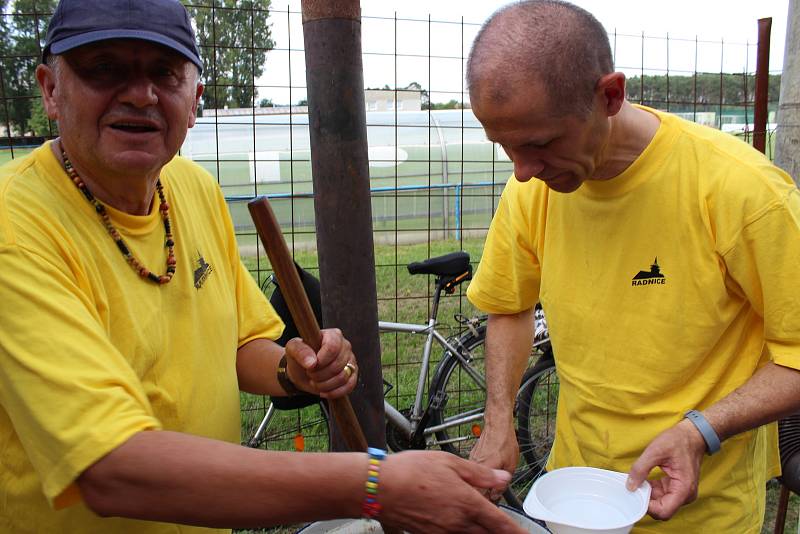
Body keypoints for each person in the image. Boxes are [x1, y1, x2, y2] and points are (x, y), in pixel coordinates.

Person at [0, 1, 529, 533]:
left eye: (164, 71)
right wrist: (375, 485)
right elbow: (108, 468)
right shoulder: (16, 229)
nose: (141, 94)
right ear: (50, 89)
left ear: (195, 100)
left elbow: (240, 342)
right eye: (104, 68)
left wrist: (293, 369)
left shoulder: (192, 188)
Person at [464, 1, 800, 532]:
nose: (522, 171)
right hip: (575, 497)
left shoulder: (742, 192)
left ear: (610, 95)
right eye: (504, 147)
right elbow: (509, 305)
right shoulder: (533, 190)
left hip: (702, 510)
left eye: (540, 144)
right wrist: (499, 416)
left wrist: (699, 432)